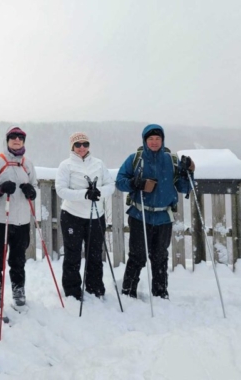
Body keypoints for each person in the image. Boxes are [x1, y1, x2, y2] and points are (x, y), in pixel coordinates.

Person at [115, 124, 195, 300]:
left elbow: (184, 188)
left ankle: (160, 293)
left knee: (160, 257)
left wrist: (188, 172)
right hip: (139, 214)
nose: (154, 142)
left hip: (163, 216)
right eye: (150, 139)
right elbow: (120, 181)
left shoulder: (172, 160)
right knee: (137, 256)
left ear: (162, 140)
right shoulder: (135, 158)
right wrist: (135, 183)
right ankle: (128, 292)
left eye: (157, 138)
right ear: (144, 140)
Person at [55, 132, 115, 300]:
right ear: (72, 147)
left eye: (85, 144)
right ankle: (72, 290)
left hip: (96, 216)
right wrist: (85, 194)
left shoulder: (99, 164)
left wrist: (98, 192)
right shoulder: (65, 165)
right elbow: (61, 190)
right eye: (78, 145)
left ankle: (95, 287)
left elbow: (110, 184)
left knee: (95, 254)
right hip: (72, 215)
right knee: (72, 254)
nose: (82, 148)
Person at [0, 126, 38, 315]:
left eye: (20, 138)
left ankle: (18, 291)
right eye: (13, 137)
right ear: (7, 140)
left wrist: (31, 192)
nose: (17, 140)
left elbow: (34, 185)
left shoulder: (27, 163)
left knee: (18, 259)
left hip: (21, 220)